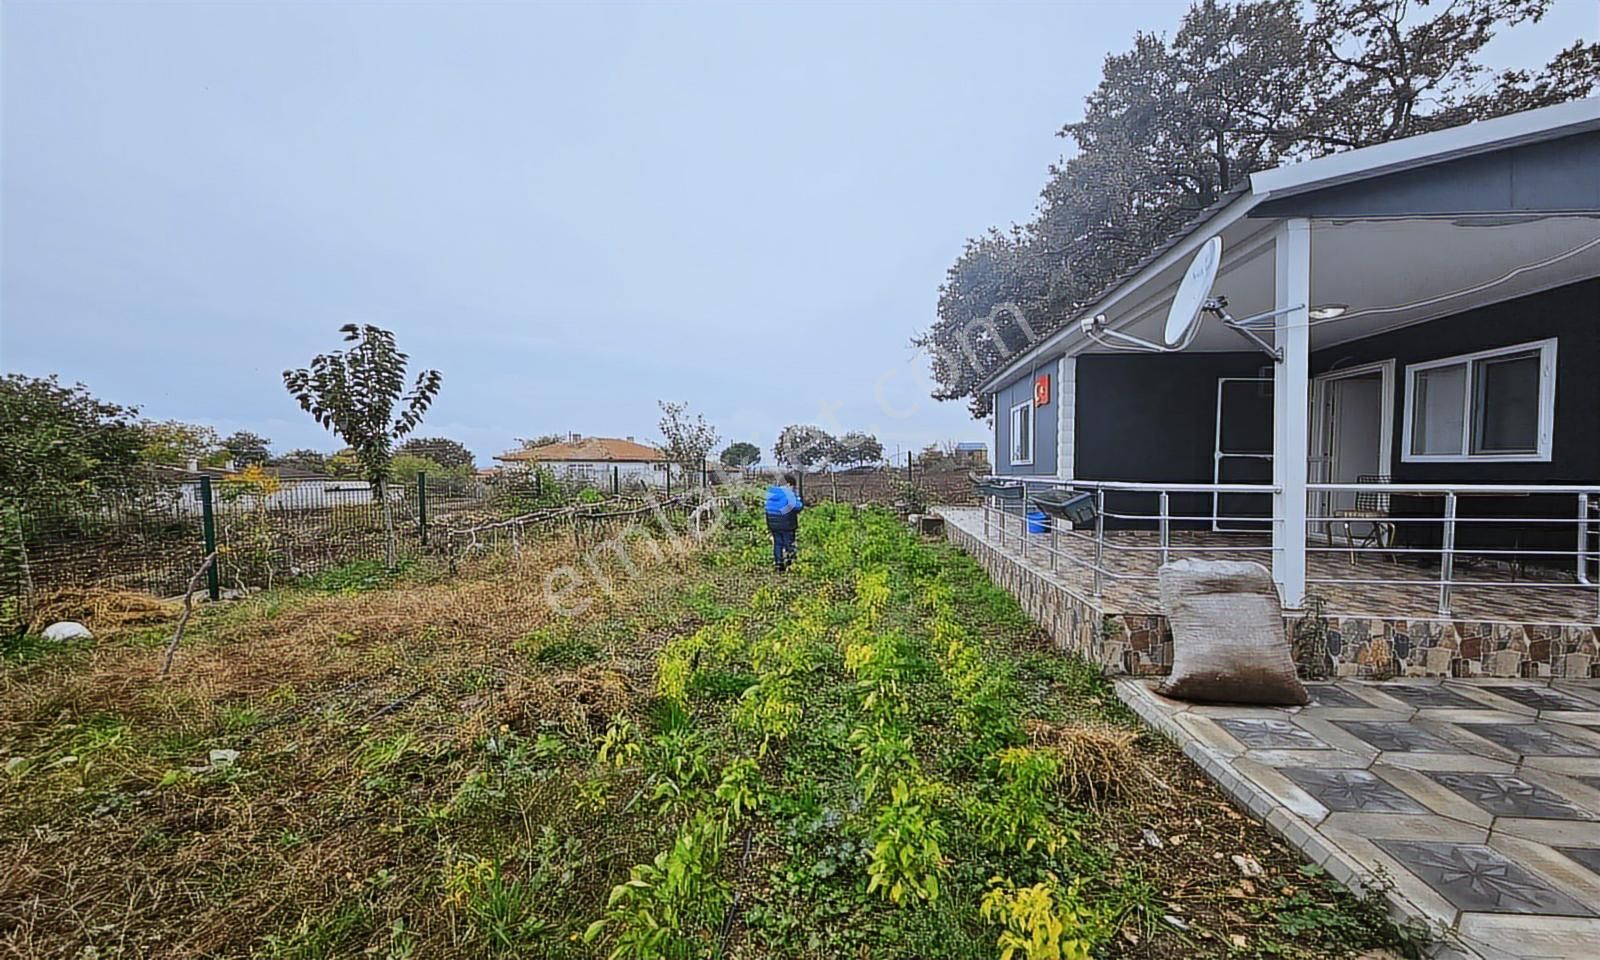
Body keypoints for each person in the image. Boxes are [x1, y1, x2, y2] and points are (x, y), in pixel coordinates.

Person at [764, 472, 804, 571]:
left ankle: (779, 563)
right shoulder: (789, 494)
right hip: (787, 522)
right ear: (789, 484)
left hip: (772, 522)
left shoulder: (771, 492)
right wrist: (797, 498)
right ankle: (790, 561)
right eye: (793, 487)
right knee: (788, 542)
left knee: (777, 543)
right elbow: (797, 507)